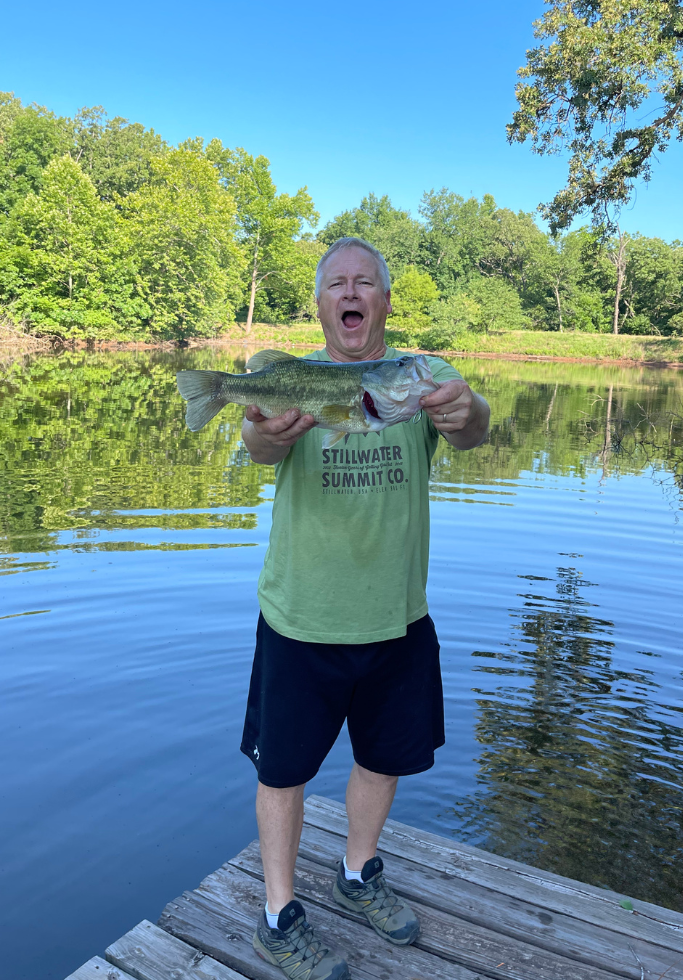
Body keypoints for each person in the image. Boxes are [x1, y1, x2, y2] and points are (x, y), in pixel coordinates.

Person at [240, 237, 490, 980]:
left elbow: (474, 427)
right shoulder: (291, 376)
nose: (350, 293)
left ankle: (357, 873)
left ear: (383, 300)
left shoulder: (418, 375)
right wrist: (260, 428)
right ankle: (279, 917)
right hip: (300, 619)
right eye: (335, 285)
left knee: (382, 760)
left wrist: (464, 409)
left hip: (398, 618)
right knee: (283, 771)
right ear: (321, 306)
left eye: (365, 283)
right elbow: (258, 444)